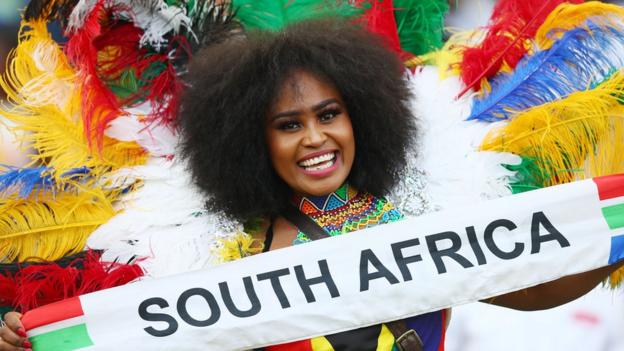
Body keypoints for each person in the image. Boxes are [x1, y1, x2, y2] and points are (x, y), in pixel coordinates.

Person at [1, 19, 622, 351]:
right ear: (252, 145)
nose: (315, 138)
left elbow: (529, 288)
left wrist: (608, 233)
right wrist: (40, 342)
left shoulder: (421, 215)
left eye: (329, 115)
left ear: (363, 118)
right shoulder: (216, 252)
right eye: (287, 125)